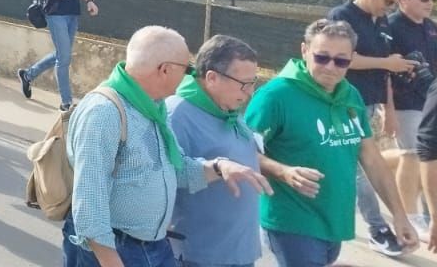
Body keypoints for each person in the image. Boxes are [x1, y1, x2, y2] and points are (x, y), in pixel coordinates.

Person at [64, 26, 270, 267]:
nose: (190, 77)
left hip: (153, 247)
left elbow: (177, 168)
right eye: (187, 69)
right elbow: (89, 203)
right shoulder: (104, 112)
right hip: (116, 249)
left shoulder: (153, 107)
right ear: (165, 69)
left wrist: (218, 166)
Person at [248, 19, 419, 266]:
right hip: (292, 221)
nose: (331, 67)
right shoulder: (275, 95)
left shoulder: (350, 94)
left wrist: (399, 216)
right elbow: (241, 150)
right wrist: (283, 172)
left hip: (335, 221)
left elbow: (372, 159)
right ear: (305, 50)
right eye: (322, 57)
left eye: (341, 60)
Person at [326, 0, 419, 255]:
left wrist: (388, 108)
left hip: (368, 102)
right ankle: (377, 228)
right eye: (388, 1)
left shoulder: (379, 23)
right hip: (341, 103)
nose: (390, 8)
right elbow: (343, 59)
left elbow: (385, 69)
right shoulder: (342, 17)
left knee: (362, 164)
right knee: (360, 168)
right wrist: (387, 63)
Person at [165, 35, 264, 267]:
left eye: (253, 82)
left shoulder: (226, 107)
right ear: (211, 78)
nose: (250, 92)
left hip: (238, 250)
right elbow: (167, 175)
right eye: (244, 83)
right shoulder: (177, 114)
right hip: (200, 255)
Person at [388, 0, 437, 231]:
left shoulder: (430, 27)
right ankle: (410, 215)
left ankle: (363, 166)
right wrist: (389, 110)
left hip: (431, 103)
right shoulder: (392, 26)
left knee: (421, 157)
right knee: (413, 155)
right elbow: (386, 71)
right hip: (405, 101)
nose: (430, 3)